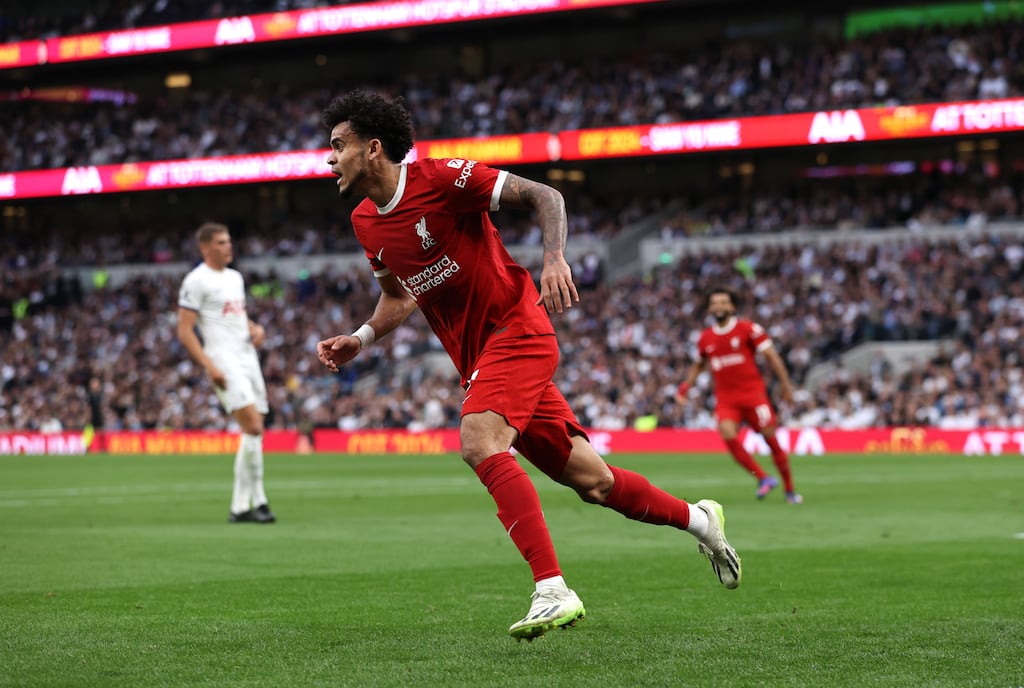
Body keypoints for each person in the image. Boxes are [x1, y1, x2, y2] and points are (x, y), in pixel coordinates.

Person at [314, 90, 742, 641]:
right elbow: (400, 297)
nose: (329, 157)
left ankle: (552, 589)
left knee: (478, 440)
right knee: (596, 483)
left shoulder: (440, 179)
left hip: (518, 329)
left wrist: (554, 257)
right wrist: (362, 335)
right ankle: (701, 521)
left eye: (337, 145)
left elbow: (546, 195)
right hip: (480, 360)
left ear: (373, 149)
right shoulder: (365, 223)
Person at [177, 222, 276, 524]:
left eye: (228, 241)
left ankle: (239, 507)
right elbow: (184, 330)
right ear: (205, 248)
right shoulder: (196, 281)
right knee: (254, 427)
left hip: (247, 358)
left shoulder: (235, 278)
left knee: (253, 433)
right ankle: (258, 501)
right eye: (220, 242)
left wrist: (255, 329)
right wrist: (209, 365)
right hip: (223, 360)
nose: (227, 246)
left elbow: (237, 317)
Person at [675, 287, 802, 504]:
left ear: (732, 306)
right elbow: (698, 365)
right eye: (714, 303)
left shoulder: (748, 329)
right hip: (726, 399)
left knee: (770, 438)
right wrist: (685, 388)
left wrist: (786, 386)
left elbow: (772, 357)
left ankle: (790, 489)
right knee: (726, 433)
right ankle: (764, 478)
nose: (719, 306)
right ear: (709, 308)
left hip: (754, 396)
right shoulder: (705, 338)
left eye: (723, 302)